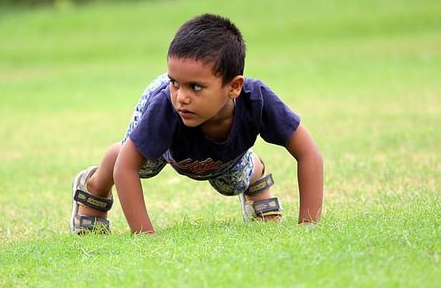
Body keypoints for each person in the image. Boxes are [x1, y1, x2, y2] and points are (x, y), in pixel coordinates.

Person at [70, 13, 323, 234]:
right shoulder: (167, 103)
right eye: (175, 83)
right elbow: (127, 166)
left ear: (234, 87)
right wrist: (144, 235)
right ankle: (94, 189)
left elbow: (308, 152)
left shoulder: (257, 101)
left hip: (221, 156)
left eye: (196, 87)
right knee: (134, 159)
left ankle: (255, 178)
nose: (182, 97)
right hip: (168, 144)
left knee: (233, 183)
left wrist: (309, 223)